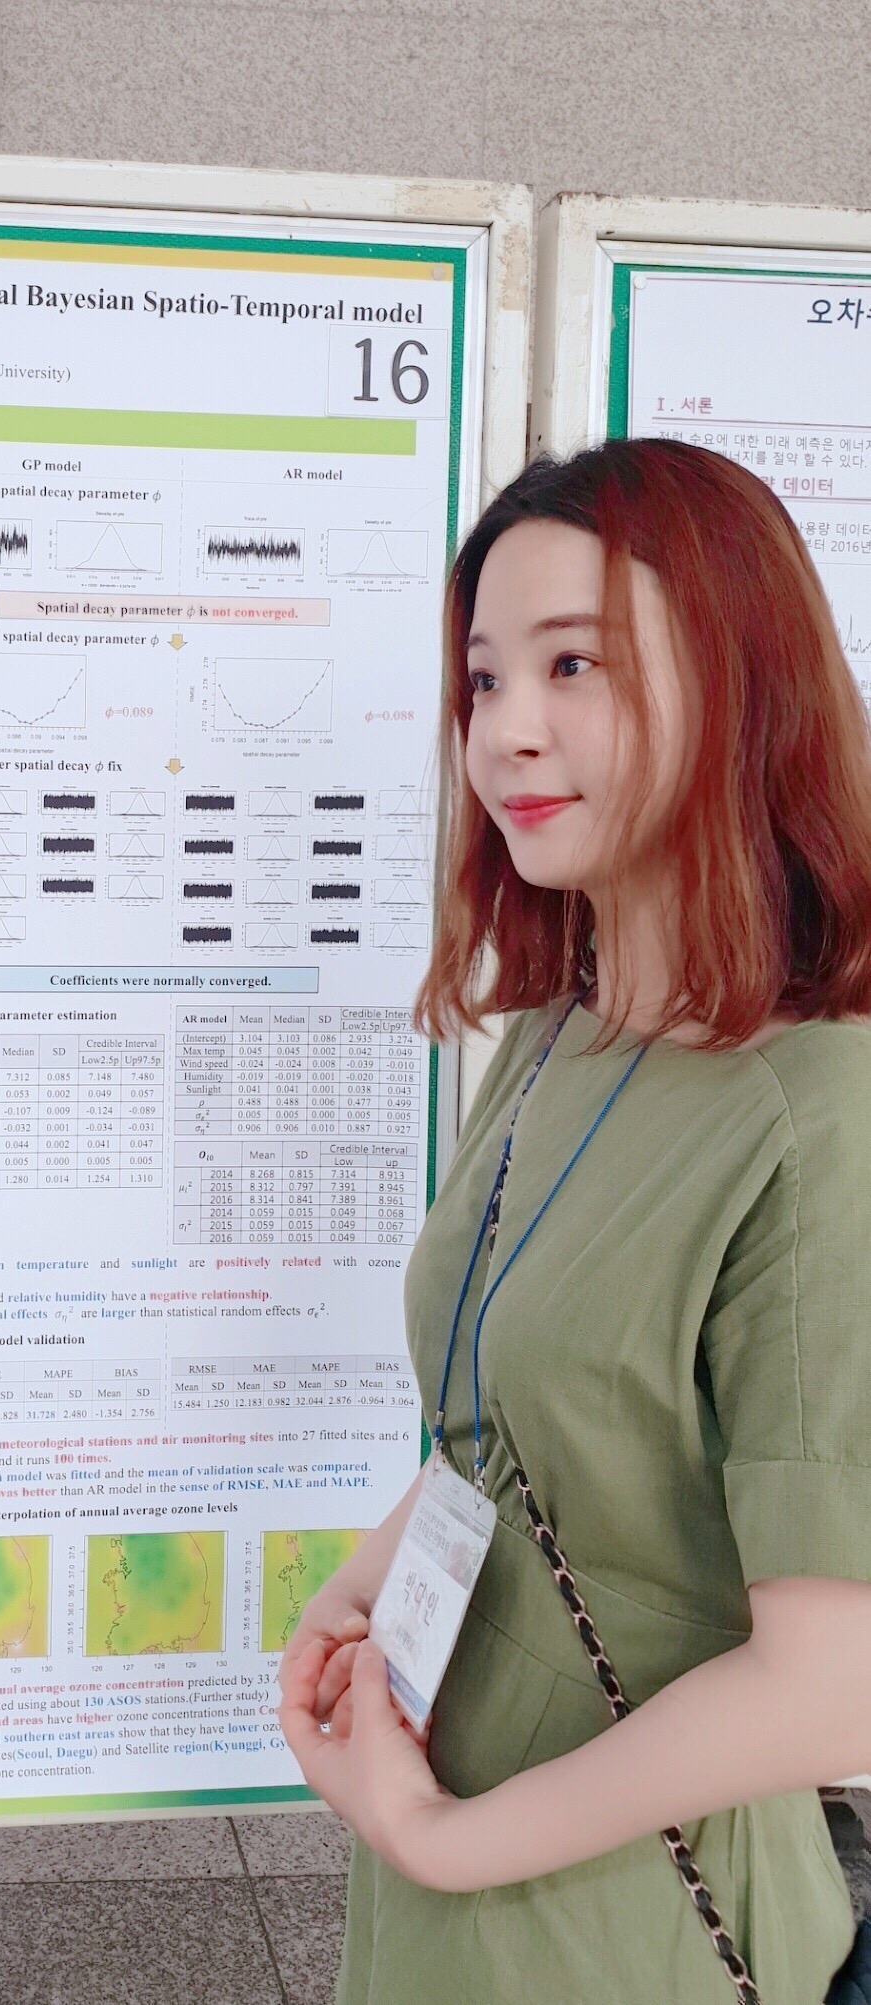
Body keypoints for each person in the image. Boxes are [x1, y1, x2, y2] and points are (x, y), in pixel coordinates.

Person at [276, 439, 871, 2003]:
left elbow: (835, 1683)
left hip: (635, 1931)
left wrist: (445, 1837)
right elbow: (512, 1427)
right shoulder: (553, 1036)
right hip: (444, 1870)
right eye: (482, 678)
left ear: (739, 687)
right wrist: (357, 1587)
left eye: (572, 664)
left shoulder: (821, 1112)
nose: (505, 730)